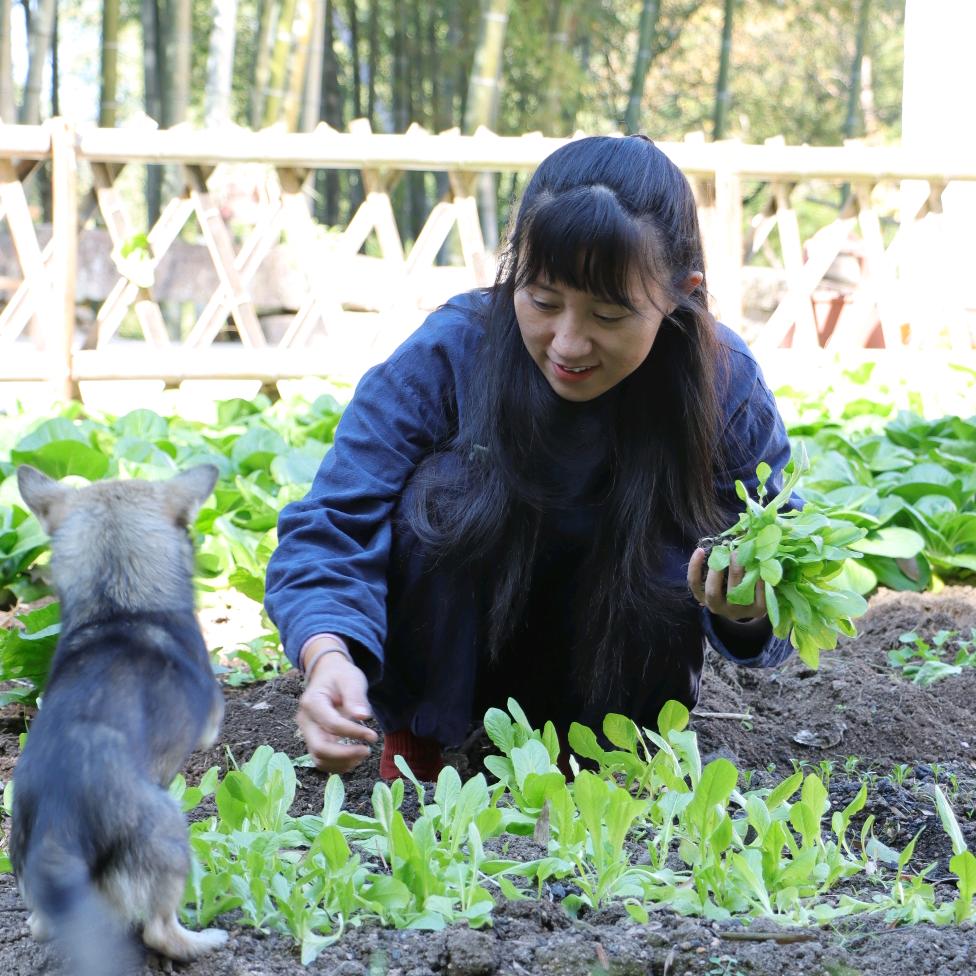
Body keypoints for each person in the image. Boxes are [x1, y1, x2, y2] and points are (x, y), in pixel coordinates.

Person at [265, 134, 796, 781]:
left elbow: (782, 548)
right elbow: (334, 518)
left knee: (677, 516)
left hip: (620, 687)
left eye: (608, 313)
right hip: (459, 668)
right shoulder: (454, 349)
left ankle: (608, 754)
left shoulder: (723, 383)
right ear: (514, 266)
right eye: (542, 300)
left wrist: (751, 603)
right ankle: (422, 742)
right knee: (446, 488)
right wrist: (329, 658)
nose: (568, 342)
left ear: (680, 293)